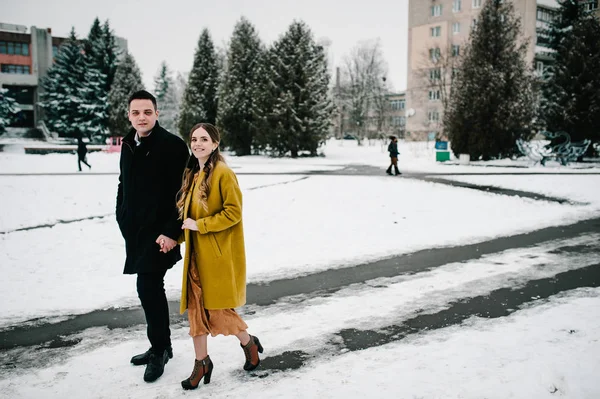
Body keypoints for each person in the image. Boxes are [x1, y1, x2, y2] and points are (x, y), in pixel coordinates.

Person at [175, 122, 263, 390]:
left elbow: (233, 213)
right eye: (194, 139)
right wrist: (174, 238)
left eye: (204, 139)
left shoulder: (223, 173)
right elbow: (189, 217)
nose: (197, 143)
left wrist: (200, 226)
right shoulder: (193, 173)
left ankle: (249, 343)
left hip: (216, 257)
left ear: (215, 144)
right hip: (195, 258)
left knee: (218, 312)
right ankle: (202, 363)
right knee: (195, 313)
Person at [115, 90, 189, 383]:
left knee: (148, 286)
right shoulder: (128, 143)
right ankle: (161, 346)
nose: (141, 117)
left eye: (147, 112)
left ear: (157, 114)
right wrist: (121, 212)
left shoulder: (172, 145)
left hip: (160, 234)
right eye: (136, 113)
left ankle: (160, 350)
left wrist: (172, 232)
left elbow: (182, 194)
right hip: (136, 231)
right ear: (129, 115)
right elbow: (124, 181)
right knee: (148, 288)